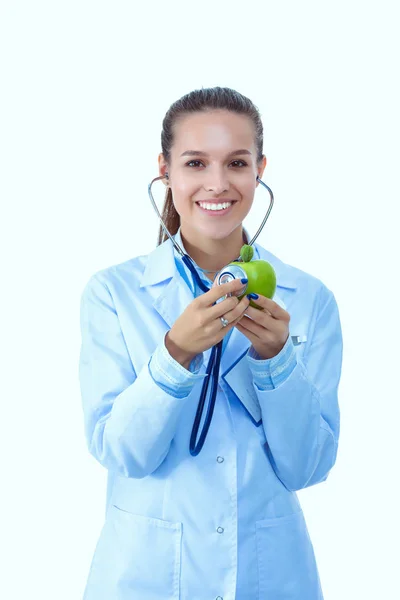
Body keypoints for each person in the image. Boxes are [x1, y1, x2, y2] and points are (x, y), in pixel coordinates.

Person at [78, 86, 343, 600]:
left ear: (260, 169)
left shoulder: (309, 299)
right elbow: (123, 453)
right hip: (143, 577)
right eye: (196, 162)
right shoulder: (113, 293)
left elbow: (306, 467)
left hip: (271, 577)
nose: (217, 183)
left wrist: (277, 362)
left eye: (237, 162)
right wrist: (174, 354)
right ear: (165, 170)